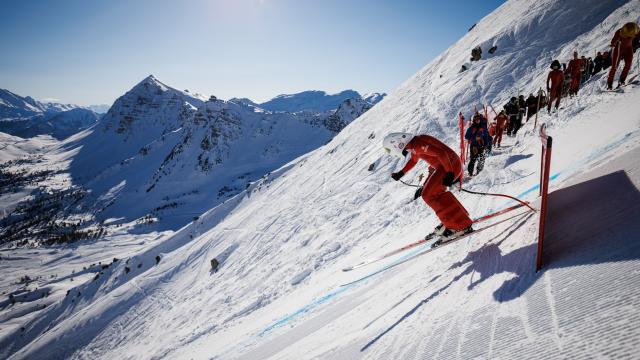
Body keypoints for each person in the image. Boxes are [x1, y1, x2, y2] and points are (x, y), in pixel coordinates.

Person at [383, 133, 473, 241]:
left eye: (389, 150)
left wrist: (449, 172)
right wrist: (400, 173)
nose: (391, 153)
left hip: (449, 165)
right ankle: (455, 219)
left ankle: (457, 226)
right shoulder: (413, 145)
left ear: (396, 144)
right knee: (433, 193)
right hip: (447, 165)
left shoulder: (417, 144)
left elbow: (441, 153)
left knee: (428, 195)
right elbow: (413, 160)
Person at [607, 22, 640, 89]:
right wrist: (613, 43)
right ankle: (609, 84)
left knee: (628, 64)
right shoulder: (619, 32)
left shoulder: (635, 30)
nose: (632, 35)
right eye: (630, 34)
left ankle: (622, 81)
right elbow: (613, 42)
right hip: (618, 50)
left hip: (628, 49)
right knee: (614, 67)